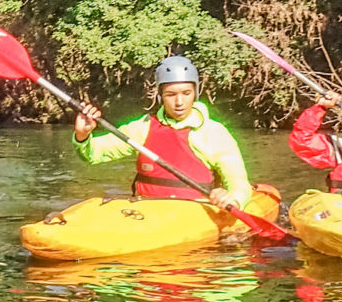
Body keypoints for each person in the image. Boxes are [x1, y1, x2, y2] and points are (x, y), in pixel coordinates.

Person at [73, 56, 253, 210]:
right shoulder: (143, 127)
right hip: (145, 211)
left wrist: (233, 199)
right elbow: (94, 153)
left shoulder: (214, 132)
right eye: (171, 94)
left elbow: (237, 180)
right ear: (160, 96)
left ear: (195, 93)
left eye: (186, 93)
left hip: (195, 212)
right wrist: (83, 135)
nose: (179, 101)